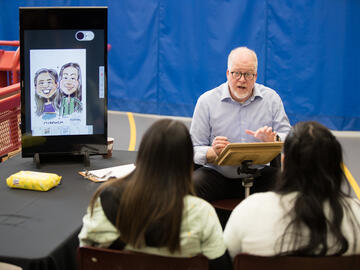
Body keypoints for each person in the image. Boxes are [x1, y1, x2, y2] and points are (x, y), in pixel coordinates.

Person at [78, 119, 232, 270]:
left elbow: (85, 252)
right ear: (187, 162)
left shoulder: (106, 199)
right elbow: (220, 264)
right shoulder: (202, 213)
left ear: (143, 156)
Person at [224, 121, 360, 258]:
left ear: (284, 162)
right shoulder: (356, 213)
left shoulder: (249, 210)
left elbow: (227, 257)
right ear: (337, 166)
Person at [190, 46, 291, 202]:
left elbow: (290, 139)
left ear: (256, 76)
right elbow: (194, 149)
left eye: (248, 74)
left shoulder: (271, 99)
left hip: (259, 175)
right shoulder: (207, 101)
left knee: (291, 186)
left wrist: (274, 139)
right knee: (192, 185)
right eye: (237, 73)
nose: (242, 80)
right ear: (227, 74)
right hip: (219, 175)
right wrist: (213, 152)